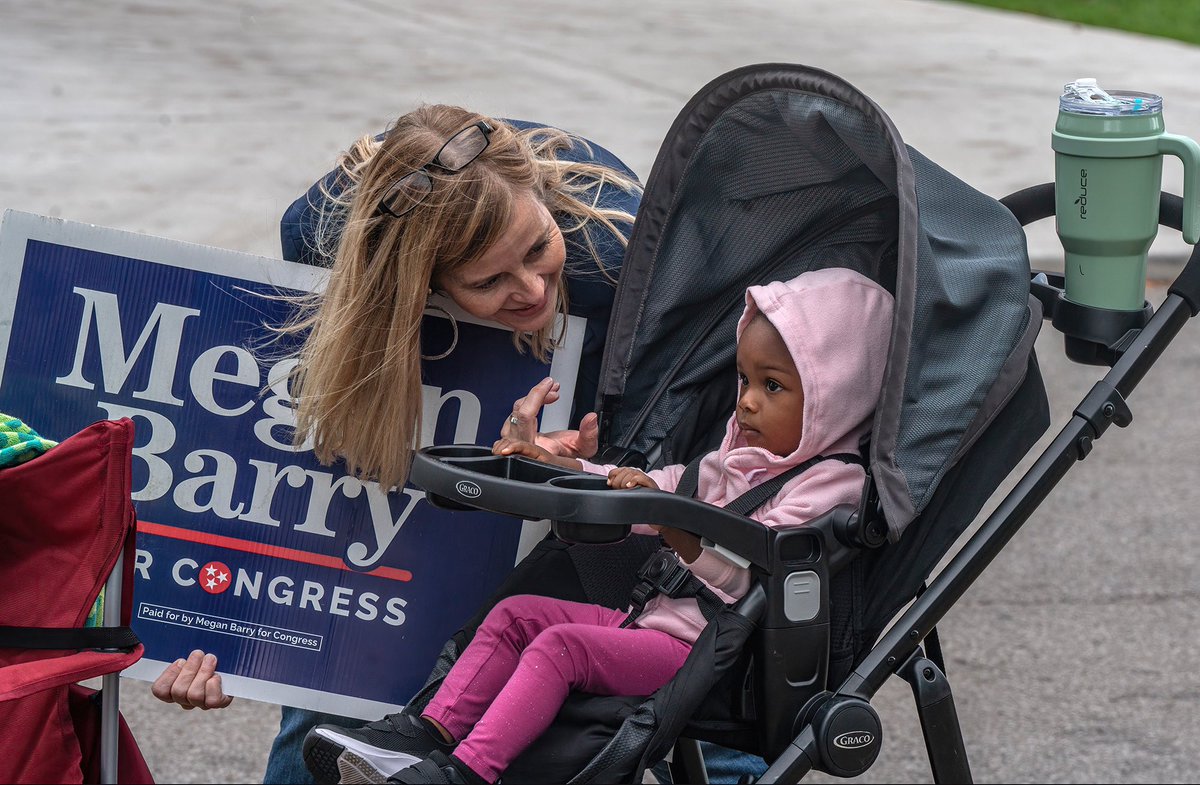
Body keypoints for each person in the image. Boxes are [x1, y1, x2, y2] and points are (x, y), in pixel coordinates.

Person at [150, 104, 641, 783]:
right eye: (489, 280)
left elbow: (661, 458)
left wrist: (580, 464)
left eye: (534, 250)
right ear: (426, 285)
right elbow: (296, 471)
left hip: (594, 319)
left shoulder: (613, 258)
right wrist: (233, 641)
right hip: (394, 291)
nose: (529, 287)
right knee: (340, 686)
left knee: (526, 687)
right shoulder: (323, 232)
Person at [305, 267, 895, 785]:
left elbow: (766, 575)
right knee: (517, 616)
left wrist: (682, 535)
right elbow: (657, 487)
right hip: (647, 624)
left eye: (773, 386)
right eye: (744, 380)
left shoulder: (832, 485)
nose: (746, 402)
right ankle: (425, 735)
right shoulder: (735, 460)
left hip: (702, 654)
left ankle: (466, 772)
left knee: (561, 646)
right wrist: (567, 468)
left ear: (832, 398)